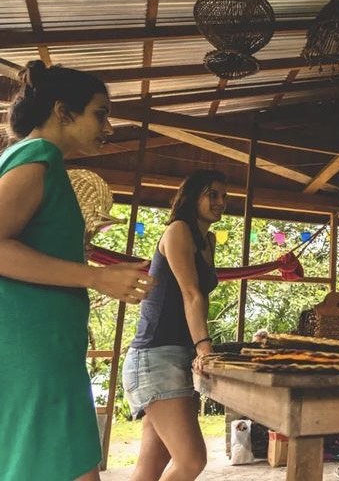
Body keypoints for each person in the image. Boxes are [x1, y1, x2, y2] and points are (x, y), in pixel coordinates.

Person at [0, 60, 154, 481]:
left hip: (43, 346)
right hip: (33, 349)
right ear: (62, 111)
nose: (108, 127)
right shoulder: (39, 154)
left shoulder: (30, 159)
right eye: (100, 112)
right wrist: (95, 276)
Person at [123, 169, 227, 481]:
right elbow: (190, 293)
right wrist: (204, 348)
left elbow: (200, 298)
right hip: (155, 357)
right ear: (192, 197)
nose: (221, 202)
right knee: (192, 460)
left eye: (224, 196)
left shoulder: (207, 240)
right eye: (213, 195)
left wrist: (196, 349)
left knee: (150, 467)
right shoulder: (178, 230)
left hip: (178, 355)